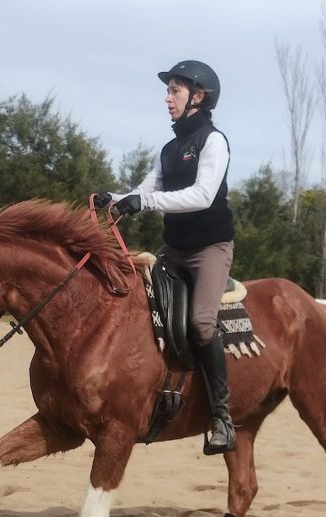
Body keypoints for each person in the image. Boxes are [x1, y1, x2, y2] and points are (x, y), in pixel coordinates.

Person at [93, 60, 236, 455]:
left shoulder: (214, 141)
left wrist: (146, 201)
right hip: (173, 251)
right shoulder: (170, 148)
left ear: (198, 97)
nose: (167, 97)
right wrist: (114, 197)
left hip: (209, 250)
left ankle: (222, 417)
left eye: (175, 90)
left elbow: (202, 195)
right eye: (168, 90)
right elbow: (144, 188)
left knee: (203, 325)